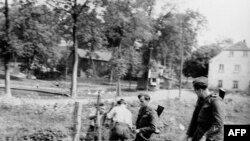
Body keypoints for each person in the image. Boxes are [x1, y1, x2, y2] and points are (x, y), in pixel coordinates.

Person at [183, 76, 225, 141]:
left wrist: (206, 136)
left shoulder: (215, 101)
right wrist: (188, 134)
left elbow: (218, 124)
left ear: (200, 90)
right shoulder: (200, 100)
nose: (195, 93)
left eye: (195, 91)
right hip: (200, 135)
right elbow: (194, 119)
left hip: (212, 138)